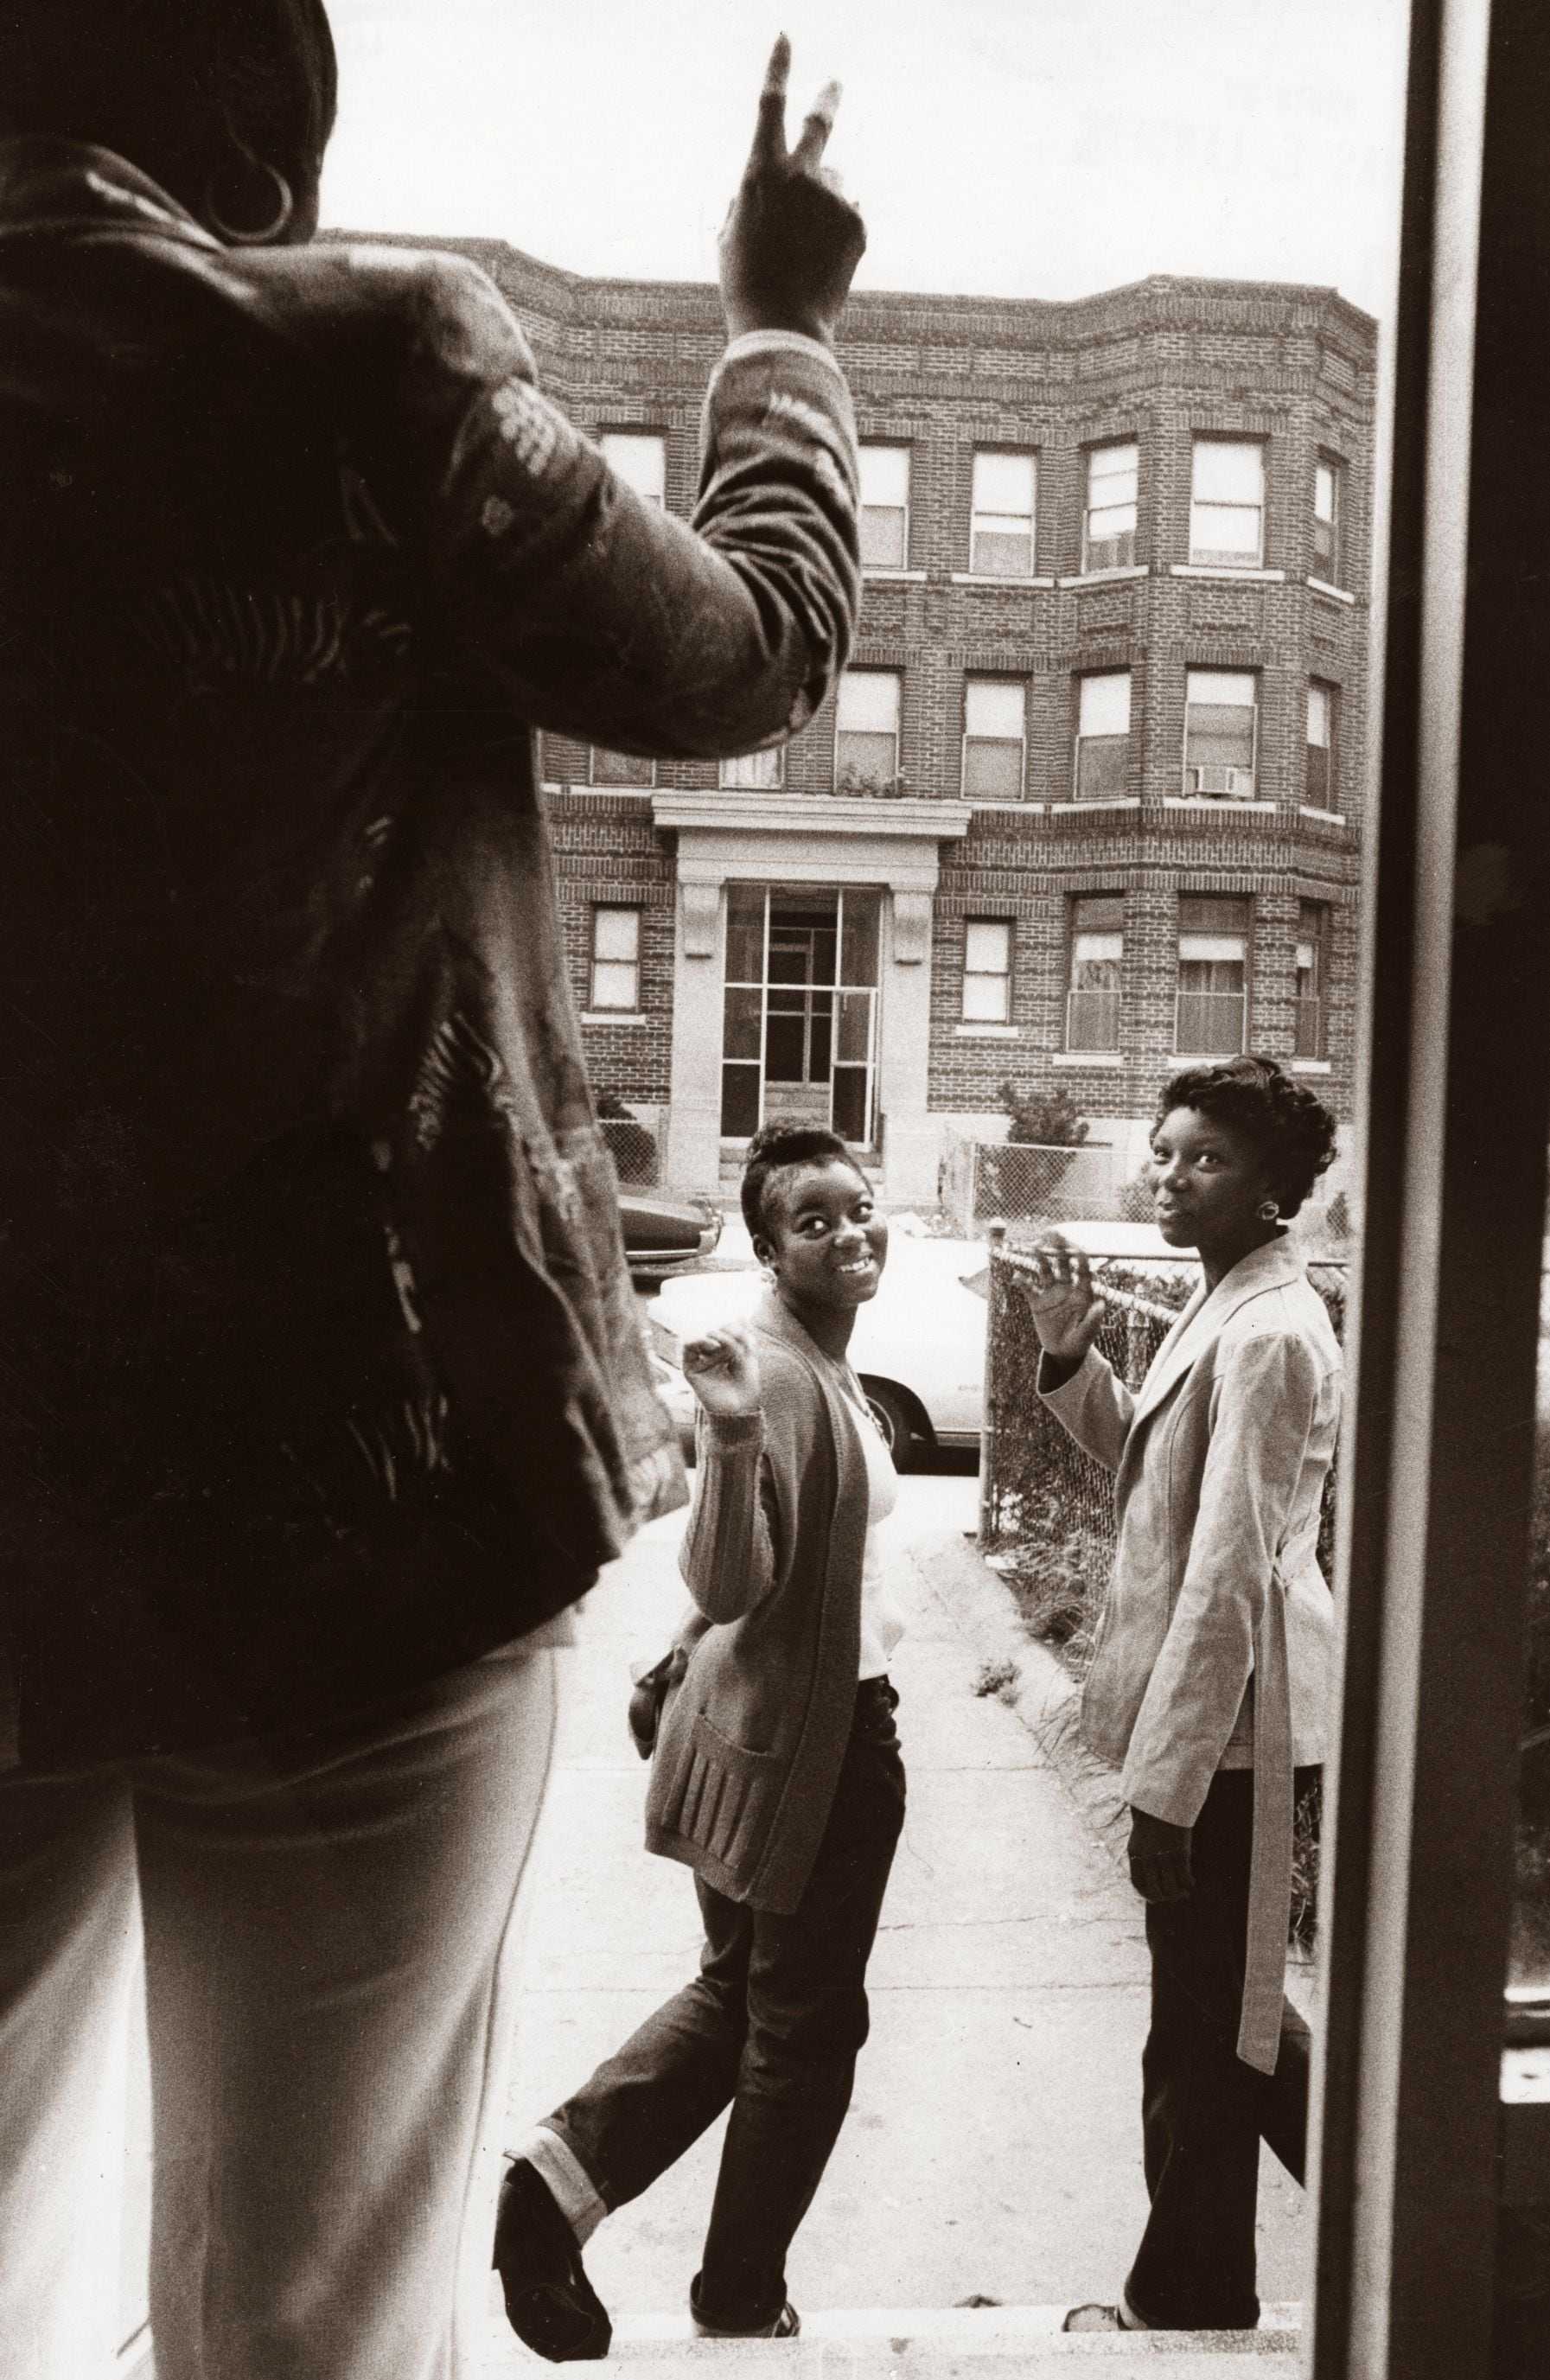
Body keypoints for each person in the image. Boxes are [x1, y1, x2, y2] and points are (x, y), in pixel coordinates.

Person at [0, 8, 865, 2373]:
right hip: (368, 1499)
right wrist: (779, 322)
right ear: (262, 133)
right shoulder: (364, 365)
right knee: (308, 2303)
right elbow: (759, 646)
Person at [494, 1123, 907, 2356]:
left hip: (772, 1727)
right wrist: (727, 1434)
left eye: (858, 1206)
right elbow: (736, 1577)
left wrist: (676, 1647)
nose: (847, 1233)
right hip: (818, 1750)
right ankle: (736, 2297)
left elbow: (783, 1575)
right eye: (813, 1220)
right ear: (771, 1246)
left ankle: (550, 2186)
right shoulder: (771, 1371)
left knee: (747, 1996)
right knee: (806, 2028)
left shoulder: (816, 1354)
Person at [1020, 1056, 1341, 2334]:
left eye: (1203, 1156)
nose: (1170, 1173)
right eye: (1164, 1151)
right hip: (1222, 1728)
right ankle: (1428, 2215)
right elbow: (1161, 1483)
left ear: (1275, 1188)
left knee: (1212, 2037)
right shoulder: (1231, 1302)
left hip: (1240, 1734)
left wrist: (1169, 1784)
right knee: (1220, 2026)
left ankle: (1192, 2293)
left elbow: (1225, 1581)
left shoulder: (1268, 1330)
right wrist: (1066, 1360)